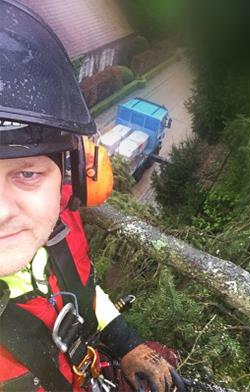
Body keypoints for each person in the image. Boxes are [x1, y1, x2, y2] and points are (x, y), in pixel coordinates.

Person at [0, 1, 185, 391]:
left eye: (28, 173)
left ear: (70, 179)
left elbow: (83, 288)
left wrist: (127, 343)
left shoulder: (58, 222)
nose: (1, 212)